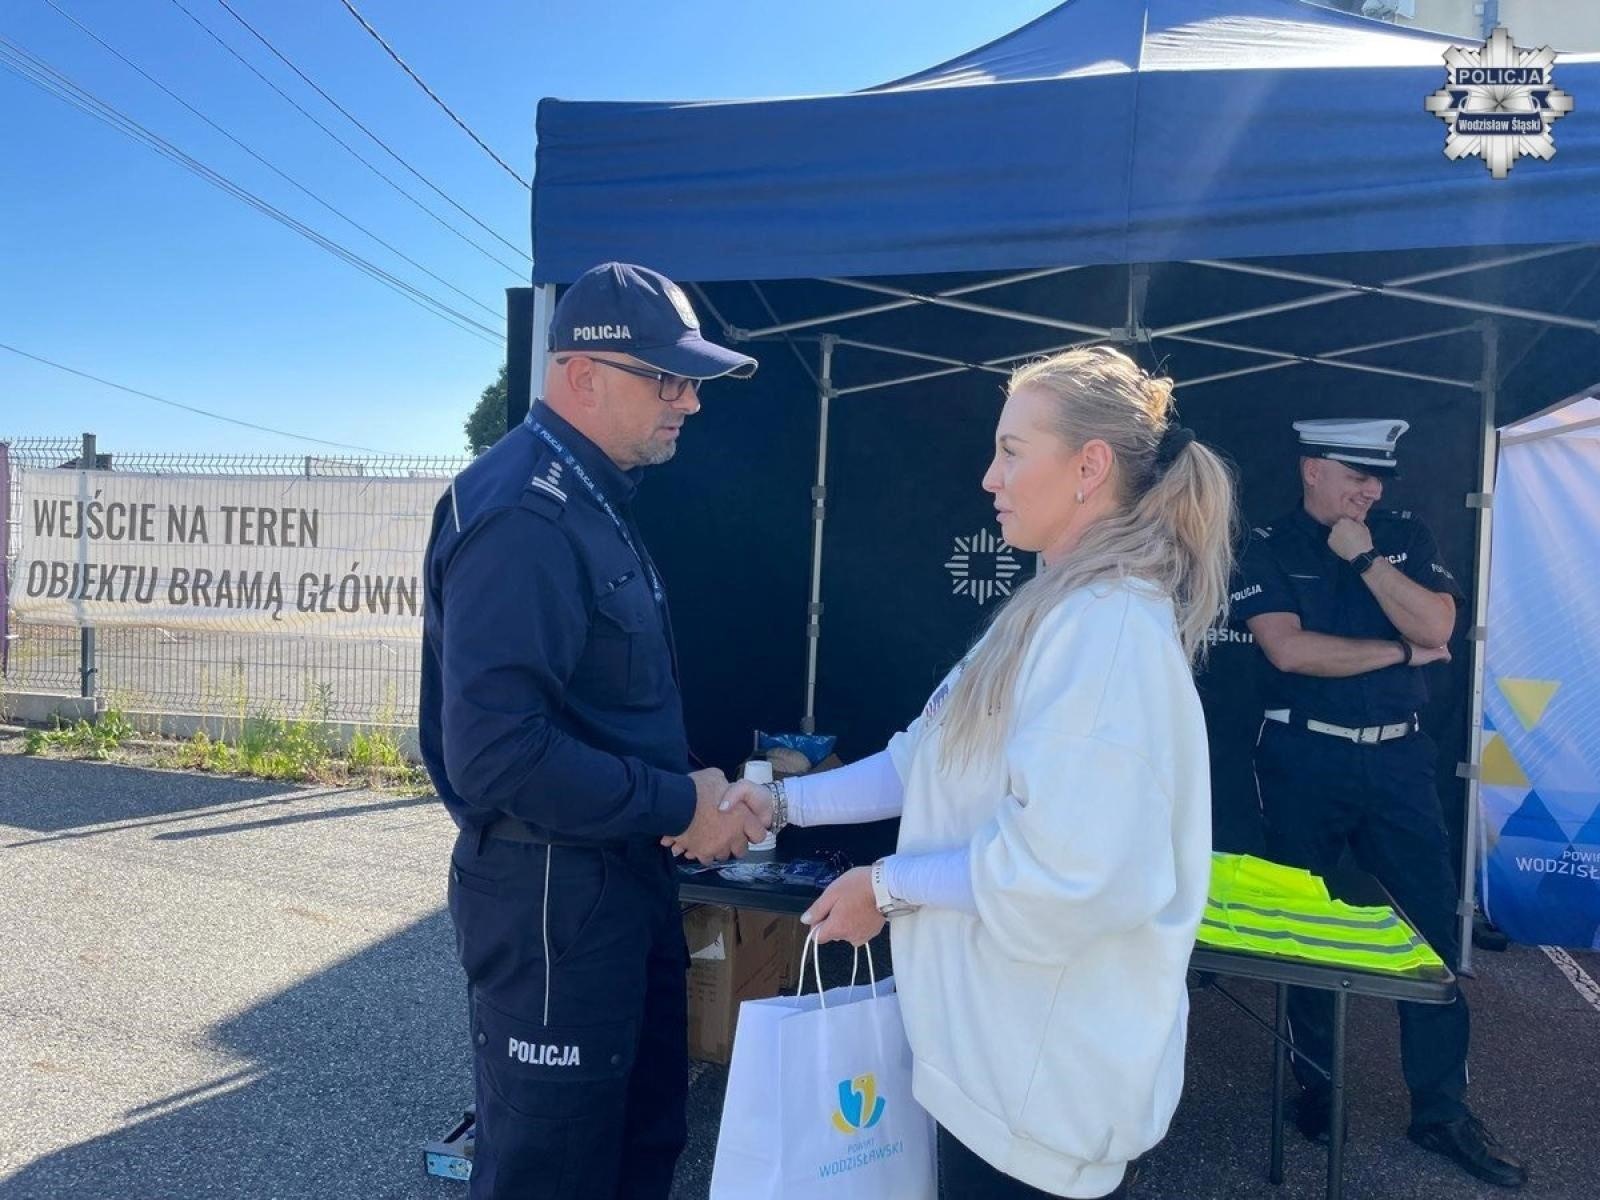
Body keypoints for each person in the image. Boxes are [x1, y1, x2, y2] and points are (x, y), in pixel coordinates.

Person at [701, 346, 1237, 1199]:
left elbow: (1065, 875)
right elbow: (924, 759)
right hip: (993, 1081)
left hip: (1038, 1107)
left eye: (1013, 451)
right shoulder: (1056, 609)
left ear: (1090, 467)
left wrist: (888, 886)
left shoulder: (1106, 637)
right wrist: (779, 801)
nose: (989, 477)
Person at [418, 261, 768, 1200]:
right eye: (668, 378)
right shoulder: (524, 514)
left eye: (690, 380)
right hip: (551, 900)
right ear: (581, 374)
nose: (690, 402)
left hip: (613, 880)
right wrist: (676, 803)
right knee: (554, 1172)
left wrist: (698, 791)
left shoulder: (589, 496)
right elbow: (494, 753)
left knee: (639, 1144)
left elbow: (602, 708)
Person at [1229, 418, 1526, 1188]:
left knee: (1430, 928)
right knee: (1307, 930)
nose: (1371, 488)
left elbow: (1439, 623)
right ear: (1310, 471)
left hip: (1398, 760)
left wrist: (1364, 560)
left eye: (1377, 476)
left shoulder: (1399, 533)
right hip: (1303, 758)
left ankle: (1442, 1111)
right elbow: (1289, 650)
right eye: (1353, 473)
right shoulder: (1266, 540)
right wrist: (1402, 652)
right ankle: (1317, 1086)